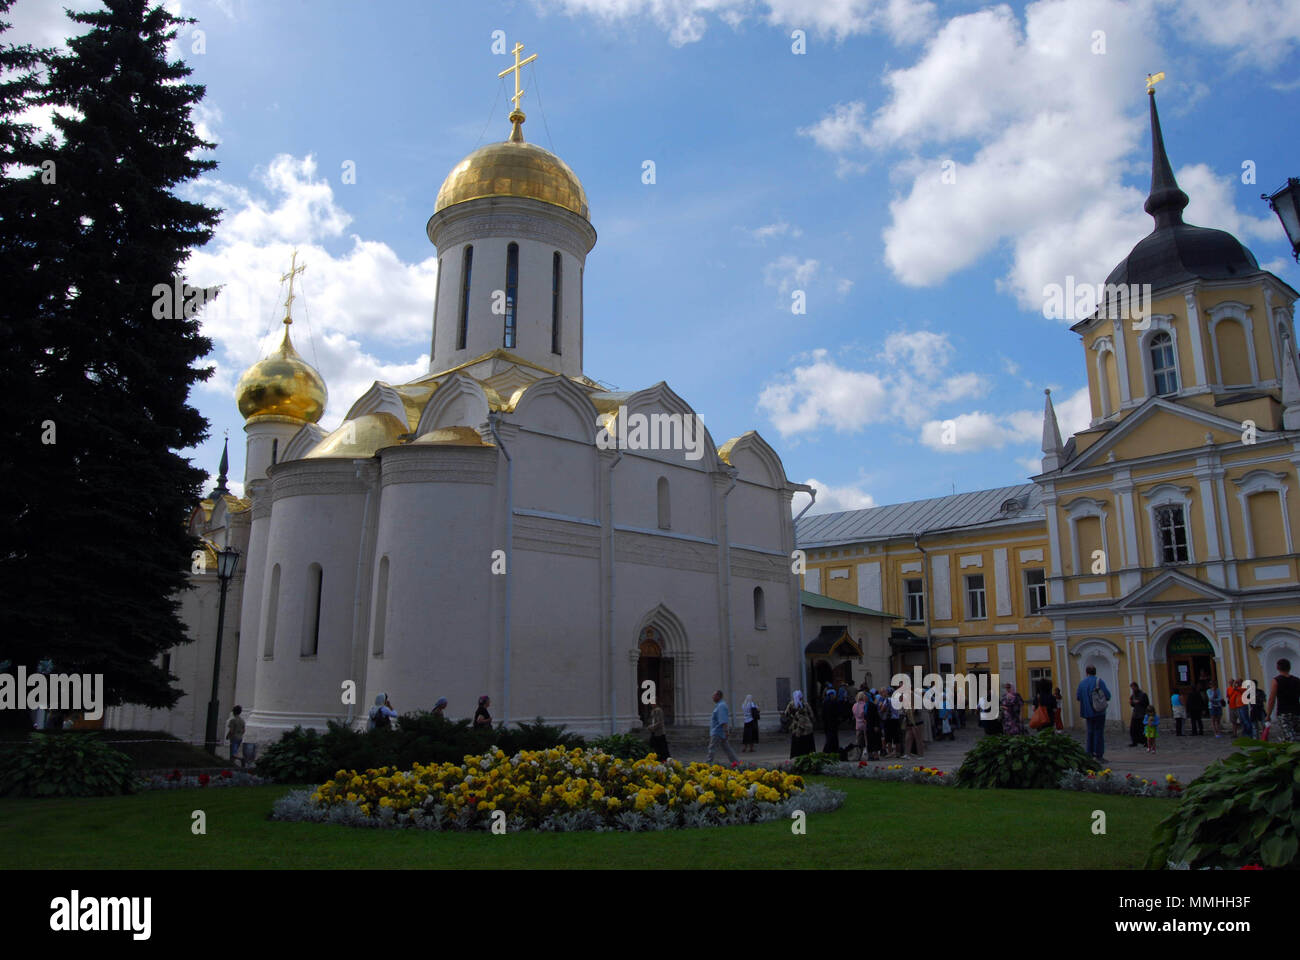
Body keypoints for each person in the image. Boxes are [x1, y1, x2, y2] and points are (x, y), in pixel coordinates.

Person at [1075, 665, 1110, 762]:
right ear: (1095, 672)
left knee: (1090, 732)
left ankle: (1089, 753)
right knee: (1098, 732)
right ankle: (1098, 754)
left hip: (1087, 711)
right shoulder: (1099, 681)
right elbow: (1107, 695)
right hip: (1099, 711)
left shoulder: (1082, 683)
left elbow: (1078, 697)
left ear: (1086, 672)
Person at [1265, 659, 1300, 742]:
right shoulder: (1297, 680)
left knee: (1289, 738)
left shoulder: (1276, 681)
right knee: (1297, 735)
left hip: (1283, 712)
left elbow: (1271, 699)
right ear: (1289, 667)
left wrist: (1268, 715)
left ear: (1278, 668)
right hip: (1297, 711)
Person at [707, 690, 739, 764]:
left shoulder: (721, 706)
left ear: (718, 696)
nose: (712, 697)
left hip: (717, 731)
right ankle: (736, 762)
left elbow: (723, 720)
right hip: (719, 731)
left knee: (712, 748)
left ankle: (707, 764)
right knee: (727, 748)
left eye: (714, 696)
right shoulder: (720, 705)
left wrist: (726, 731)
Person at [782, 690, 816, 758]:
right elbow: (811, 714)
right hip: (805, 726)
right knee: (806, 742)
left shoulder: (792, 704)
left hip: (797, 727)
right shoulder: (804, 704)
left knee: (798, 742)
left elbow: (786, 714)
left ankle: (797, 755)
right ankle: (807, 754)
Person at [1128, 682, 1150, 747]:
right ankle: (1134, 742)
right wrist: (1131, 702)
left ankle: (1145, 742)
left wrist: (1139, 702)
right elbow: (1132, 704)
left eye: (1133, 688)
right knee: (1133, 729)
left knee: (1142, 729)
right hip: (1135, 714)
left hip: (1142, 714)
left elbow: (1146, 703)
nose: (1133, 689)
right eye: (1132, 688)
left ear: (1136, 687)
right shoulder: (1133, 695)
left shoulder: (1143, 694)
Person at [821, 688, 842, 756]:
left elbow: (823, 714)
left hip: (827, 724)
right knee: (832, 737)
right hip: (832, 723)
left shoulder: (825, 703)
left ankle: (831, 750)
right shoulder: (833, 703)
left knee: (830, 737)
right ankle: (829, 750)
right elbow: (837, 713)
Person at [865, 690, 883, 760]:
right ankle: (870, 755)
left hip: (873, 725)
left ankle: (875, 755)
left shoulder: (871, 705)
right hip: (868, 725)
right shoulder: (866, 705)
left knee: (874, 740)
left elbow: (876, 716)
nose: (864, 698)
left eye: (865, 697)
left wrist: (876, 725)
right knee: (869, 740)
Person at [851, 691, 869, 760]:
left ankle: (858, 755)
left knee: (858, 741)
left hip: (857, 724)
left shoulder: (854, 705)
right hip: (864, 724)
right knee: (866, 740)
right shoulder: (865, 705)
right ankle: (868, 754)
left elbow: (854, 714)